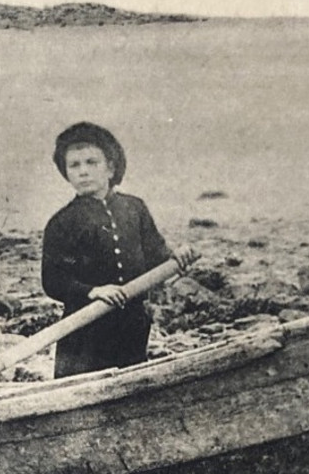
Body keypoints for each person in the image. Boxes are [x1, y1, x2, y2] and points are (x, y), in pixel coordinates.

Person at [41, 122, 197, 377]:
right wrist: (92, 291)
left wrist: (176, 257)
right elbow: (53, 281)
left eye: (92, 162)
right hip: (86, 331)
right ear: (66, 173)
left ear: (111, 167)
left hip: (131, 323)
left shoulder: (134, 209)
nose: (83, 172)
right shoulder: (62, 223)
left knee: (133, 386)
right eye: (74, 165)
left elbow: (156, 257)